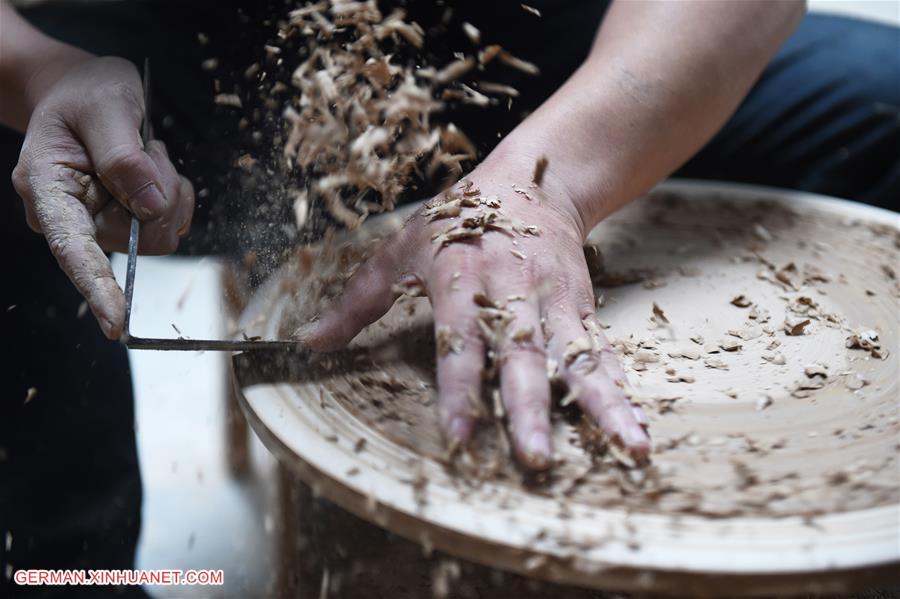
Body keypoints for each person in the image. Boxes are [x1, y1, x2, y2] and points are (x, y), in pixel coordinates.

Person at [1, 0, 897, 595]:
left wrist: (552, 181)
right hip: (166, 98)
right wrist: (36, 73)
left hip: (561, 65)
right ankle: (64, 571)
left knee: (880, 94)